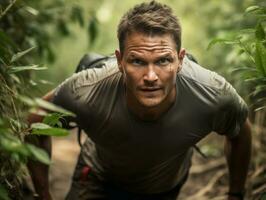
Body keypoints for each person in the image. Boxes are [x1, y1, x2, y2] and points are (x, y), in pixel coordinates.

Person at [27, 1, 252, 200]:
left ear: (180, 59)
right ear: (119, 61)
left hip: (164, 189)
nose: (151, 77)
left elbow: (240, 130)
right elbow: (38, 118)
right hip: (96, 179)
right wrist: (43, 194)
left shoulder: (211, 93)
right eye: (137, 62)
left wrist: (235, 194)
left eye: (164, 61)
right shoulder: (87, 89)